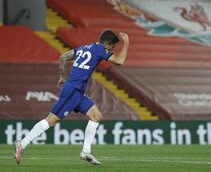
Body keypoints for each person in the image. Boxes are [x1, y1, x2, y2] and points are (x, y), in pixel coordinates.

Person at [14, 30, 129, 165]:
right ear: (107, 44)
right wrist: (126, 43)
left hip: (78, 92)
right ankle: (22, 143)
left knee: (96, 116)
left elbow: (63, 57)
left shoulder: (84, 48)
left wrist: (62, 76)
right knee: (50, 121)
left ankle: (86, 152)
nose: (112, 49)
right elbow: (120, 61)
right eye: (112, 47)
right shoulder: (100, 49)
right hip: (72, 91)